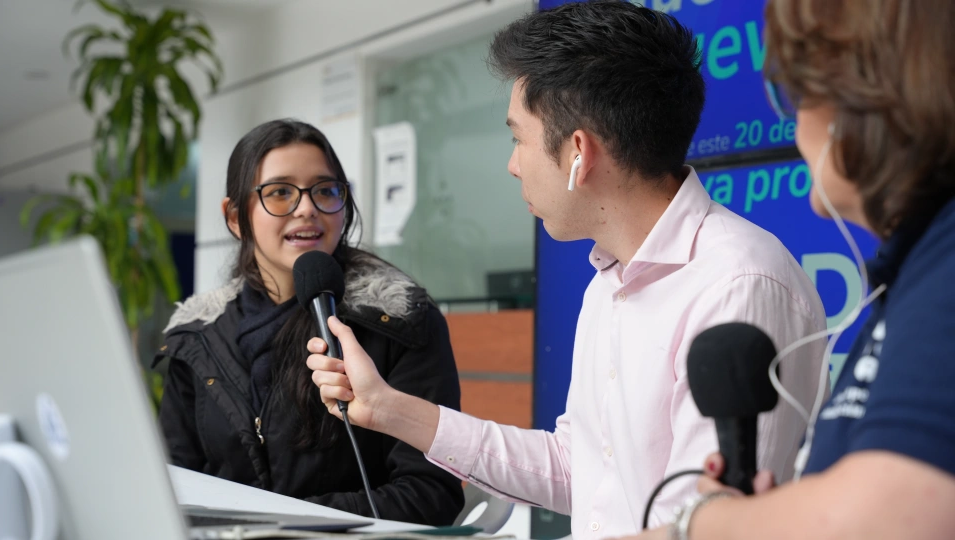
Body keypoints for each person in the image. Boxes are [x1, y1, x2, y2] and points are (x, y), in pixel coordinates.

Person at [307, 2, 828, 537]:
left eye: (517, 137)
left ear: (579, 152)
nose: (512, 164)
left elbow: (707, 528)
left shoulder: (738, 285)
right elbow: (578, 468)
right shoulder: (610, 280)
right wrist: (388, 409)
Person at [628, 0, 955, 538]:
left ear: (862, 102)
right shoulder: (913, 274)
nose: (798, 127)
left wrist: (702, 524)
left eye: (800, 97)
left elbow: (891, 517)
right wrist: (777, 516)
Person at [154, 119, 464, 525]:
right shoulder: (195, 337)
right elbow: (171, 484)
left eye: (324, 190)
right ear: (234, 217)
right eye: (280, 192)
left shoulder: (400, 322)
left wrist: (278, 525)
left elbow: (430, 494)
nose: (307, 208)